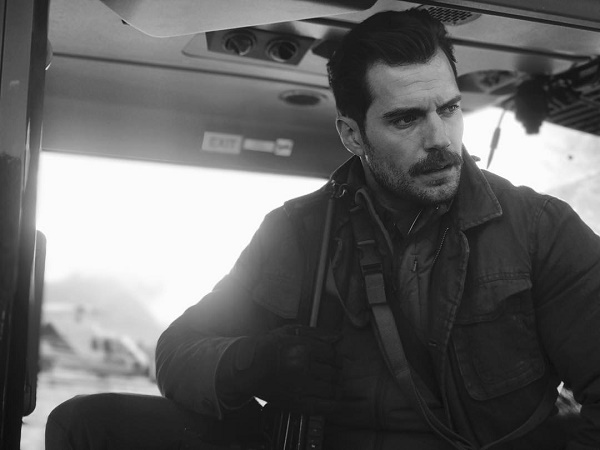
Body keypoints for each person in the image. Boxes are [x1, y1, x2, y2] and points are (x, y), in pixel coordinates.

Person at [46, 8, 599, 450]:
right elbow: (177, 354)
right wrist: (255, 363)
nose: (440, 139)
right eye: (406, 118)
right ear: (353, 135)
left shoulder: (540, 229)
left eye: (449, 109)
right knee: (88, 424)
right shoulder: (297, 231)